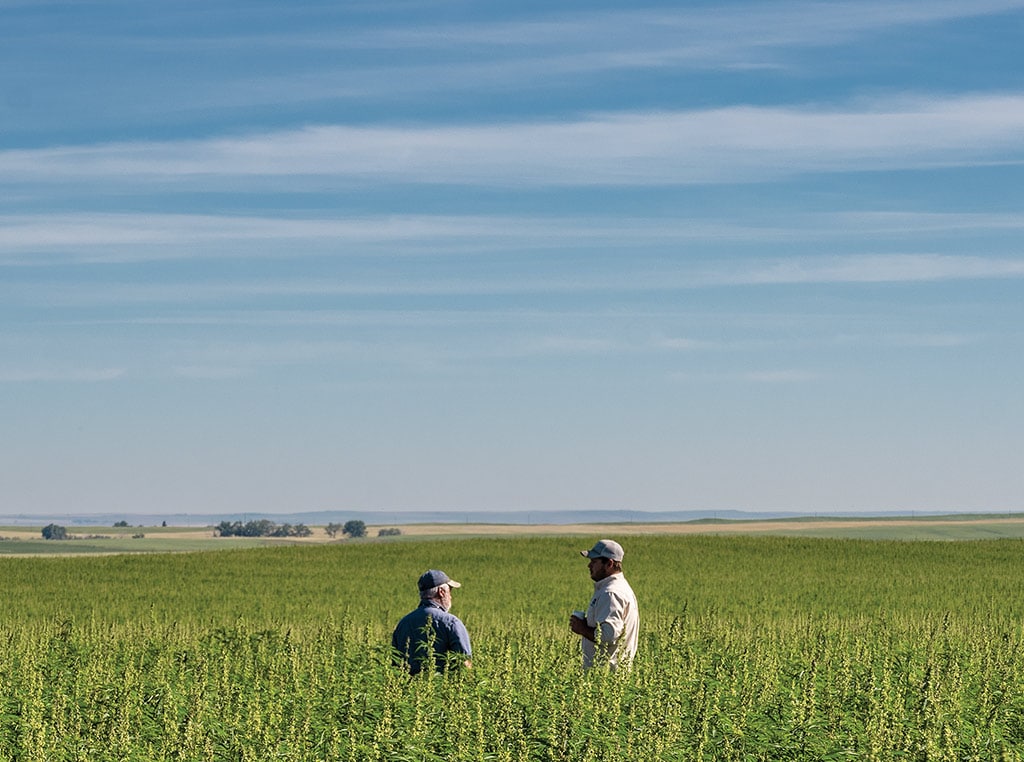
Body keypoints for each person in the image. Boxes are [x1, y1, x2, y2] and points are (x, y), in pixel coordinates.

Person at [569, 539, 639, 671]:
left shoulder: (611, 593)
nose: (589, 566)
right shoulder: (619, 588)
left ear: (609, 564)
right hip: (611, 676)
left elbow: (608, 635)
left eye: (594, 562)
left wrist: (582, 628)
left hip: (605, 677)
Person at [392, 569, 472, 676]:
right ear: (441, 592)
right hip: (443, 689)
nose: (451, 596)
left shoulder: (403, 624)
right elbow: (464, 664)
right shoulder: (451, 623)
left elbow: (395, 665)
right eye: (450, 591)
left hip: (407, 689)